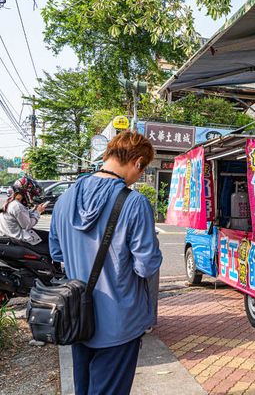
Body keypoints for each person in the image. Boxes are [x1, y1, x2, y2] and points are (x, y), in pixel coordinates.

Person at [49, 131, 162, 395]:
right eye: (142, 170)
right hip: (119, 323)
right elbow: (146, 265)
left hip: (77, 317)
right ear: (137, 162)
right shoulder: (135, 203)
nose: (138, 177)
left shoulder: (65, 199)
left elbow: (57, 253)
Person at [0, 176, 48, 255]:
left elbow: (21, 216)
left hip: (12, 236)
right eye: (31, 195)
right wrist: (38, 212)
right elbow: (27, 225)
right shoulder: (17, 206)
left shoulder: (10, 202)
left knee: (48, 235)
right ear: (26, 193)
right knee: (51, 244)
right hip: (20, 238)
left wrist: (34, 210)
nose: (32, 197)